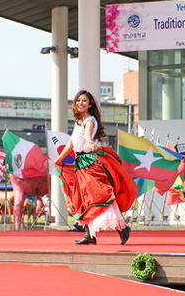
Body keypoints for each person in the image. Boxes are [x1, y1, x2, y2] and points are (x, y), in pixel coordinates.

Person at [54, 90, 137, 245]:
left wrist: (90, 142)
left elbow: (87, 135)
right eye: (78, 100)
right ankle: (89, 235)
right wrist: (58, 159)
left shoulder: (89, 121)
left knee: (98, 195)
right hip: (81, 162)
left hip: (90, 162)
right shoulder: (79, 121)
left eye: (84, 100)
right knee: (85, 198)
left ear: (90, 104)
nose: (80, 103)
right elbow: (72, 143)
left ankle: (121, 227)